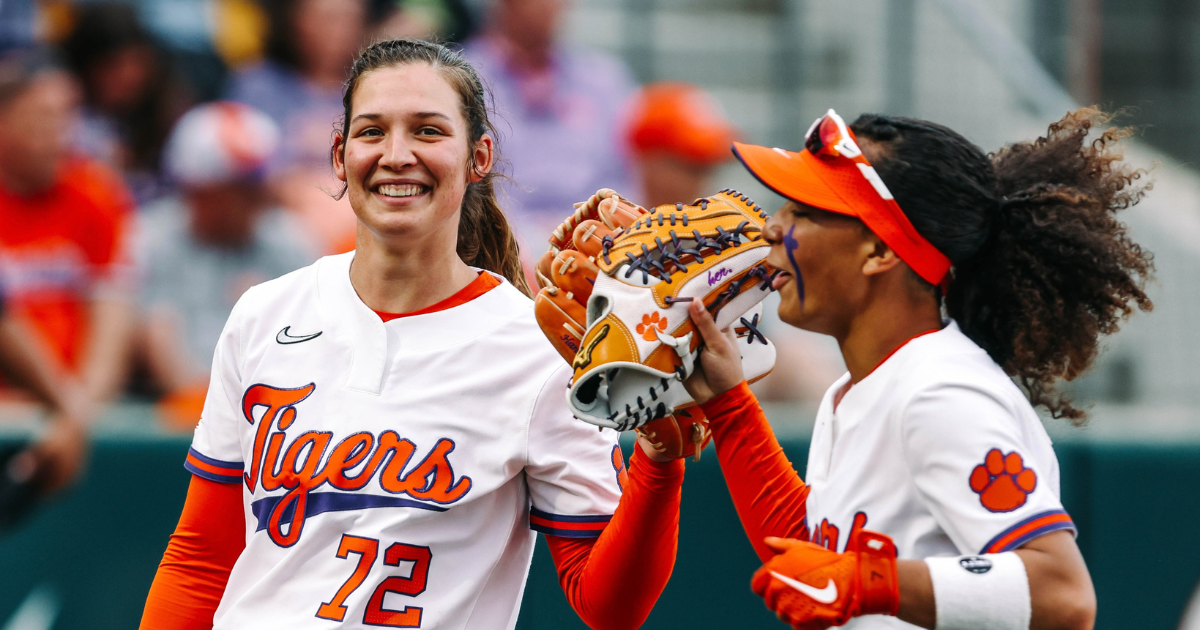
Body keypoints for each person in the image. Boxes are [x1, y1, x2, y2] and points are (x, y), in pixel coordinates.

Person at [140, 39, 683, 630]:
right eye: (372, 131)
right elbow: (200, 559)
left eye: (427, 131)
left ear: (479, 156)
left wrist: (660, 464)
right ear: (339, 154)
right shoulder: (264, 314)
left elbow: (610, 608)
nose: (397, 154)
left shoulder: (541, 350)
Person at [684, 109, 1150, 629]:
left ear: (879, 249)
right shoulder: (865, 386)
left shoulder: (941, 393)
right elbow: (815, 555)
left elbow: (1062, 595)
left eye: (803, 209)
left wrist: (869, 582)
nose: (773, 225)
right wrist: (727, 407)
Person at [137, 101, 317, 427]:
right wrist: (211, 413)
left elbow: (310, 345)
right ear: (199, 190)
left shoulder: (288, 240)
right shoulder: (152, 239)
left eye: (257, 187)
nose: (258, 200)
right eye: (242, 189)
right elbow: (157, 338)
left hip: (273, 417)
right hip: (172, 422)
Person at [0, 48, 136, 407]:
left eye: (67, 117)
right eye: (42, 118)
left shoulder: (96, 192)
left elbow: (112, 311)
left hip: (76, 405)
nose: (58, 134)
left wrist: (79, 409)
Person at [462, 0, 639, 247]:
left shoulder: (603, 79)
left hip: (598, 241)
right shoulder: (462, 79)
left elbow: (628, 176)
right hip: (499, 243)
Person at [224, 0, 368, 255]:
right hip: (279, 215)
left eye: (350, 18)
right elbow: (240, 162)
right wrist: (300, 190)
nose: (340, 29)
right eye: (328, 18)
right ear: (296, 21)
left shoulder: (372, 87)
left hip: (357, 208)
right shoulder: (259, 85)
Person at [61, 2, 192, 204]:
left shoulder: (173, 114)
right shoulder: (66, 122)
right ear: (87, 65)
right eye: (113, 64)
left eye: (136, 61)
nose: (129, 75)